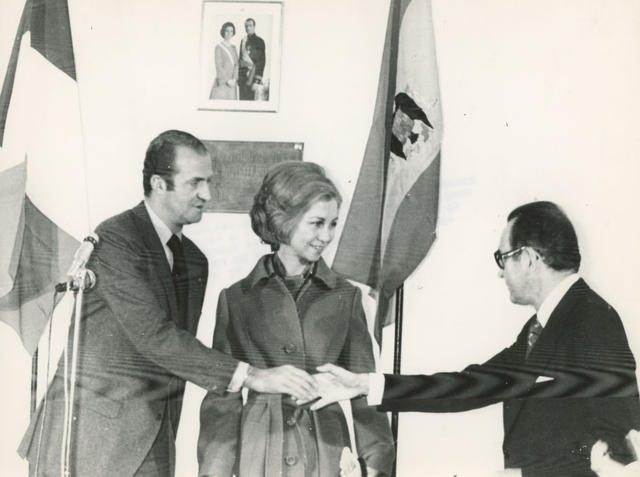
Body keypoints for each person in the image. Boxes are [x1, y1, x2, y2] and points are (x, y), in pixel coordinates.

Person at [18, 130, 318, 477]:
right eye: (195, 183)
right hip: (87, 446)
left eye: (209, 181)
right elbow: (156, 337)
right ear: (159, 184)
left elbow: (177, 358)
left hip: (154, 443)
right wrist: (253, 376)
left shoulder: (194, 260)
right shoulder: (117, 239)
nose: (207, 194)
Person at [313, 201, 640, 476]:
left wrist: (525, 475)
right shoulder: (543, 325)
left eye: (502, 258)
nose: (500, 271)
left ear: (528, 259)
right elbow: (472, 385)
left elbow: (621, 448)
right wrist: (367, 385)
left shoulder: (593, 320)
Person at [198, 161, 394, 477]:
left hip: (326, 449)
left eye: (333, 224)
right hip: (260, 451)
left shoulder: (345, 296)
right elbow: (223, 398)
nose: (327, 236)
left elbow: (363, 390)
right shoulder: (236, 299)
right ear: (283, 221)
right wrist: (214, 472)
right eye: (317, 223)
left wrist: (375, 465)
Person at [238, 17, 266, 101]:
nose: (248, 28)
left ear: (254, 26)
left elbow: (261, 61)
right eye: (246, 26)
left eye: (250, 25)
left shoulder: (260, 41)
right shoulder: (243, 41)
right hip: (243, 78)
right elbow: (240, 60)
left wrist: (257, 81)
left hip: (253, 78)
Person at [210, 21, 239, 100]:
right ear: (223, 32)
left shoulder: (233, 48)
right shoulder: (218, 47)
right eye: (227, 31)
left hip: (232, 84)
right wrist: (227, 80)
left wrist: (234, 79)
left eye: (231, 31)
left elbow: (236, 65)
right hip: (222, 83)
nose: (229, 33)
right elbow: (218, 66)